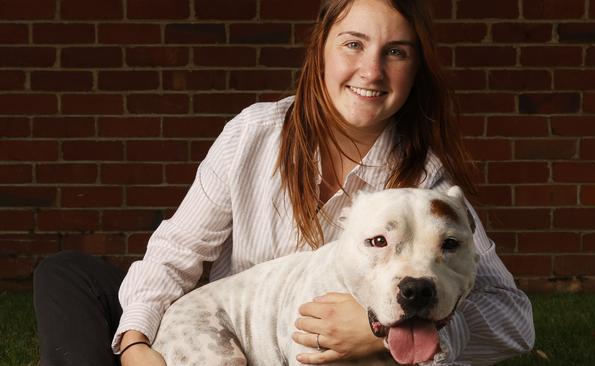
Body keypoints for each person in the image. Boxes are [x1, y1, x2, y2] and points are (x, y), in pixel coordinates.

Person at [33, 0, 535, 365]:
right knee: (66, 274)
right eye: (354, 44)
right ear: (321, 48)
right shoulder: (256, 133)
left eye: (396, 52)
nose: (371, 70)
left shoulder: (427, 189)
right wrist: (138, 344)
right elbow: (176, 253)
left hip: (330, 340)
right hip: (220, 318)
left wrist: (376, 332)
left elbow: (513, 318)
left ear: (415, 69)